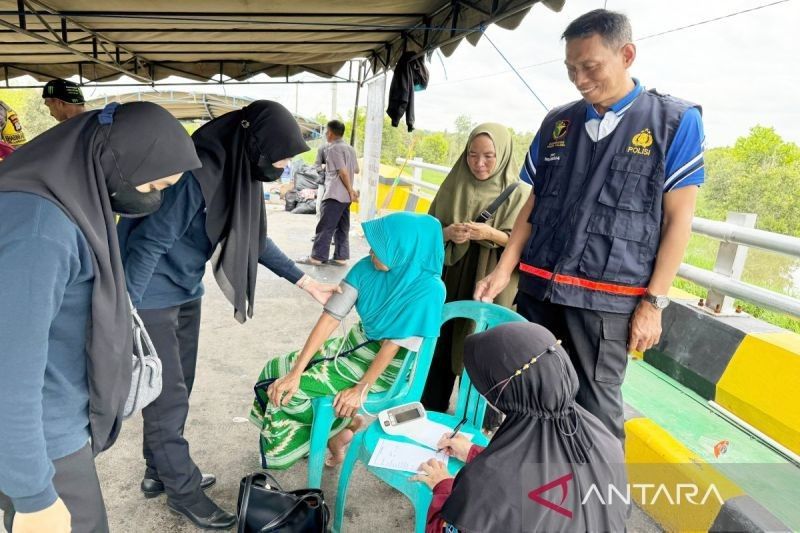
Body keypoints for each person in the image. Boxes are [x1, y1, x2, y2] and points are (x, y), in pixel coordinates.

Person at [475, 9, 705, 445]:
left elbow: (679, 221)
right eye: (571, 69)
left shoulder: (674, 123)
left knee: (595, 413)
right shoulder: (557, 122)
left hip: (607, 302)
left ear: (627, 55)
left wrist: (654, 303)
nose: (579, 79)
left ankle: (598, 508)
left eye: (590, 66)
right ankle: (531, 498)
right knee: (527, 398)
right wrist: (506, 269)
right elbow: (534, 203)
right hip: (539, 288)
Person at [117, 100, 335, 530]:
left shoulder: (238, 171)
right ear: (256, 142)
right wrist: (127, 314)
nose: (286, 164)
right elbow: (148, 245)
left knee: (181, 383)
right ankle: (183, 491)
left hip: (184, 288)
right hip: (152, 294)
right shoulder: (196, 175)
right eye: (283, 154)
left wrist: (305, 282)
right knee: (167, 395)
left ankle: (157, 471)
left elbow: (252, 238)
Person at [0, 102, 200, 533]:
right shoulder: (40, 228)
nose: (155, 197)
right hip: (43, 442)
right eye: (154, 183)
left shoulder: (60, 200)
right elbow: (8, 372)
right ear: (118, 160)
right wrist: (34, 496)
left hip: (46, 430)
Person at [251, 212, 446, 469]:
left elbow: (392, 345)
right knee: (276, 371)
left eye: (380, 247)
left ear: (403, 249)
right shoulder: (366, 267)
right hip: (355, 344)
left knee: (292, 395)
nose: (371, 251)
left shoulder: (429, 289)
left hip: (388, 368)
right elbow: (331, 317)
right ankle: (341, 428)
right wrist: (297, 369)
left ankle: (330, 432)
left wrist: (360, 389)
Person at [412, 322, 627, 533]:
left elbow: (446, 528)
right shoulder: (605, 440)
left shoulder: (488, 485)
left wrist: (443, 487)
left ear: (502, 393)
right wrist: (474, 453)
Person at [421, 123, 530, 415]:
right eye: (472, 155)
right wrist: (448, 233)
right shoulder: (453, 184)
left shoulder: (521, 194)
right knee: (443, 340)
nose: (479, 163)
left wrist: (490, 234)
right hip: (451, 276)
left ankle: (480, 418)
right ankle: (431, 408)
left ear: (504, 155)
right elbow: (429, 229)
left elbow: (527, 246)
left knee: (486, 345)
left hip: (491, 282)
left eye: (489, 156)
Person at [297, 120, 359, 266]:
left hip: (335, 194)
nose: (325, 134)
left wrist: (350, 190)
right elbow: (355, 170)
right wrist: (351, 191)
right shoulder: (350, 149)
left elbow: (343, 172)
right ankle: (340, 257)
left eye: (326, 132)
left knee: (325, 226)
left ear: (330, 133)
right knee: (342, 227)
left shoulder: (333, 149)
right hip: (345, 198)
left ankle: (317, 258)